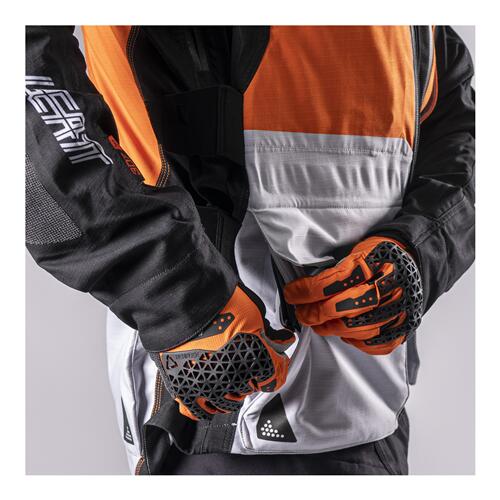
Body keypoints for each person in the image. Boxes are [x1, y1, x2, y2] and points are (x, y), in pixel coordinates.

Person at [25, 26, 475, 475]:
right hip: (222, 400)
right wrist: (176, 296)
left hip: (374, 408)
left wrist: (422, 249)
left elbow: (453, 115)